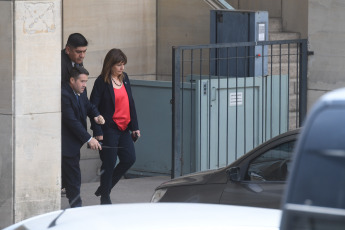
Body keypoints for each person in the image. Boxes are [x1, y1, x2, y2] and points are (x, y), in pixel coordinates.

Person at [90, 48, 140, 205]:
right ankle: (105, 198)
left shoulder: (125, 79)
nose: (122, 68)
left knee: (129, 159)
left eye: (123, 64)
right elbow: (93, 107)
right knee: (109, 163)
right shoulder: (102, 82)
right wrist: (98, 131)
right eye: (119, 65)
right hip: (109, 129)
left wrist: (135, 127)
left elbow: (130, 103)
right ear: (110, 65)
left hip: (124, 128)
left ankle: (105, 187)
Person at [61, 66, 105, 208]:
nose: (85, 85)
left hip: (74, 143)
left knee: (69, 178)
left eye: (86, 81)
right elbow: (71, 121)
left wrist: (96, 115)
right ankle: (77, 208)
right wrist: (89, 138)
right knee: (73, 178)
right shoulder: (64, 94)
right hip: (66, 143)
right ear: (72, 80)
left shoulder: (81, 90)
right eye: (82, 81)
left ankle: (74, 202)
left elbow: (88, 105)